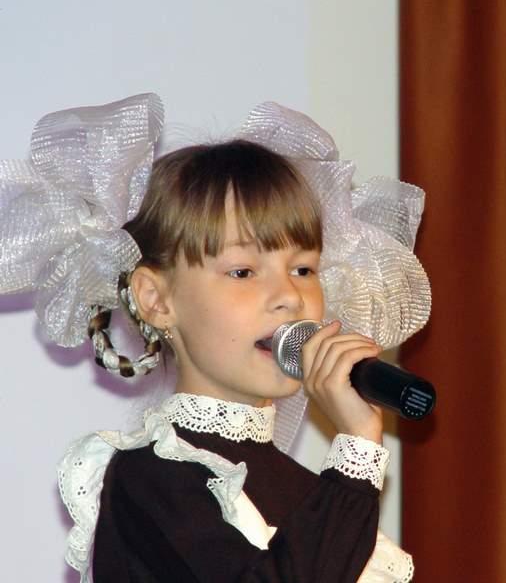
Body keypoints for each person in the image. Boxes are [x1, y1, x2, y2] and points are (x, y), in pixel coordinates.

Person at [0, 94, 430, 582]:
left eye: (303, 269)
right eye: (243, 271)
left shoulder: (313, 492)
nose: (289, 296)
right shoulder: (150, 476)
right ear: (156, 300)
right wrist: (357, 451)